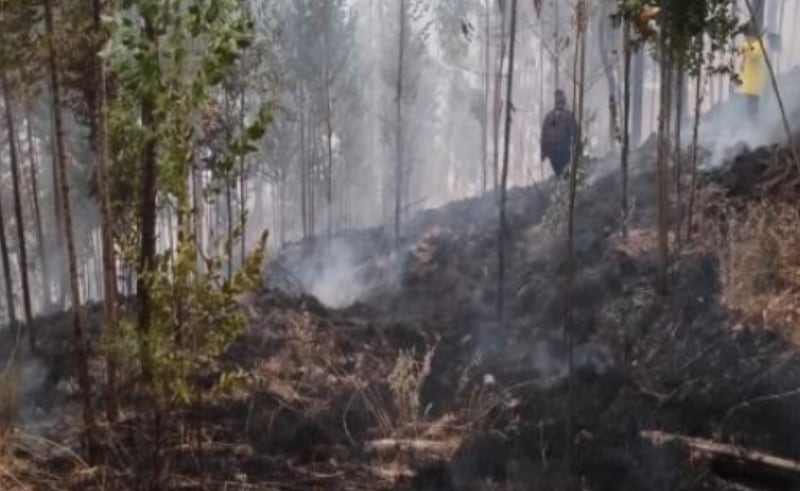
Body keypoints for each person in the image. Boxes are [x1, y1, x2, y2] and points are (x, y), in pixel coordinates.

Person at [541, 89, 581, 178]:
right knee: (564, 172)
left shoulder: (549, 116)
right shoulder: (568, 115)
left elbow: (544, 135)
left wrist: (543, 153)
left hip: (553, 151)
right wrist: (578, 147)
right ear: (563, 101)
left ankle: (561, 183)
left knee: (560, 172)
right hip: (562, 150)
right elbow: (575, 132)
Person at [738, 25, 767, 120]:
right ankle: (750, 121)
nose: (747, 38)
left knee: (753, 105)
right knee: (749, 105)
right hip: (749, 81)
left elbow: (753, 55)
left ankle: (754, 123)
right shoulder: (750, 44)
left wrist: (747, 46)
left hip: (755, 82)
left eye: (748, 36)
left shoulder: (759, 45)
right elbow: (742, 50)